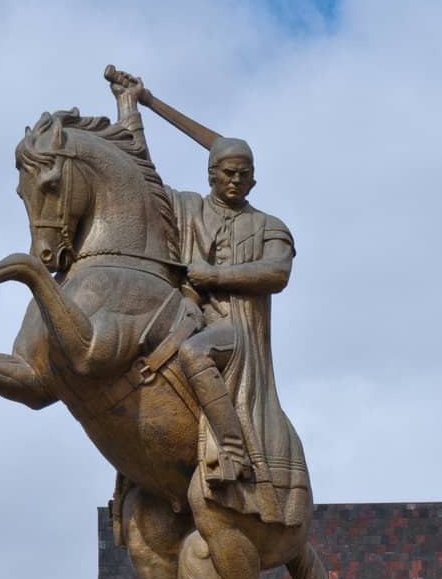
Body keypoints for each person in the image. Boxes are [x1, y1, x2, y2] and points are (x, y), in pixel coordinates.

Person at [107, 69, 310, 530]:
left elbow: (276, 273)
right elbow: (142, 171)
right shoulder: (188, 210)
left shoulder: (269, 225)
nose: (236, 182)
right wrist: (131, 104)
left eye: (244, 175)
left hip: (234, 332)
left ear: (254, 180)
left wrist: (213, 275)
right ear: (211, 174)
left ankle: (234, 448)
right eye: (227, 174)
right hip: (188, 318)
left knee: (195, 351)